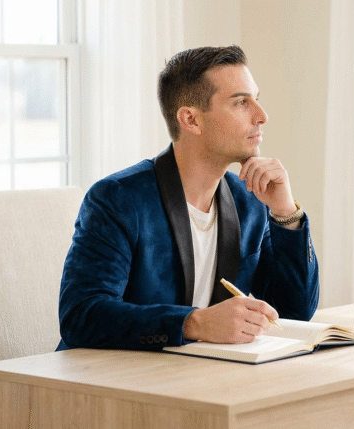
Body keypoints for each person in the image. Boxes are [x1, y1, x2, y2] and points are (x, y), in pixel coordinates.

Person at [56, 45, 319, 351]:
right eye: (240, 103)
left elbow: (293, 312)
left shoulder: (248, 201)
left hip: (197, 379)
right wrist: (194, 323)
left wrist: (286, 213)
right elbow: (81, 315)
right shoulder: (118, 198)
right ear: (191, 120)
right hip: (106, 384)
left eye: (256, 100)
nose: (261, 116)